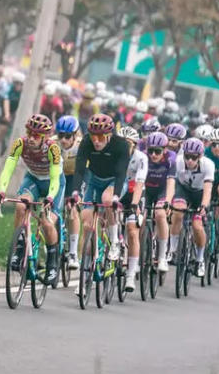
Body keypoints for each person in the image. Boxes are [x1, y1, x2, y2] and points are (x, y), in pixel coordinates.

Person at [0, 114, 64, 283]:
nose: (32, 138)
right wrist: (2, 191)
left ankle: (52, 263)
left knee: (47, 222)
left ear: (46, 136)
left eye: (36, 135)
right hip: (33, 178)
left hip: (52, 182)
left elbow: (55, 179)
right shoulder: (20, 143)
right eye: (29, 133)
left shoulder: (52, 148)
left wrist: (49, 197)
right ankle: (19, 250)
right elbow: (8, 168)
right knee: (20, 206)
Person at [72, 113, 131, 262]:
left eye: (100, 137)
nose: (96, 141)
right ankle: (86, 270)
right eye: (93, 136)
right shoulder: (86, 142)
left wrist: (116, 196)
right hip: (94, 180)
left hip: (115, 180)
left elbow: (121, 173)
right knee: (87, 224)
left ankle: (114, 242)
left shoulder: (121, 145)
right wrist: (76, 192)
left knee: (107, 199)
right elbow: (79, 169)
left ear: (110, 134)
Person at [169, 137, 214, 278]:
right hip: (184, 190)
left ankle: (200, 259)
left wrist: (204, 206)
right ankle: (173, 249)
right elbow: (172, 183)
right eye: (187, 156)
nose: (189, 160)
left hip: (200, 193)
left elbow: (208, 188)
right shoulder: (178, 162)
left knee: (197, 226)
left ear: (200, 156)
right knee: (177, 212)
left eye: (193, 158)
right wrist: (169, 202)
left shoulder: (208, 165)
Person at [141, 131, 176, 275]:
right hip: (147, 190)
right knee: (140, 219)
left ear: (165, 150)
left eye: (157, 151)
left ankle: (162, 257)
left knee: (160, 214)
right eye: (151, 151)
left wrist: (167, 201)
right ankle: (139, 254)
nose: (154, 155)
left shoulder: (171, 160)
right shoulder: (144, 158)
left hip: (162, 191)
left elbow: (171, 183)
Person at [118, 126, 148, 292]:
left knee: (132, 229)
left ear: (135, 145)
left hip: (134, 194)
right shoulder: (114, 155)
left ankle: (130, 275)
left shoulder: (141, 158)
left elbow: (139, 183)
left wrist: (135, 205)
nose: (123, 146)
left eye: (127, 143)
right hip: (117, 192)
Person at [56, 115, 82, 269]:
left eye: (67, 137)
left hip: (75, 178)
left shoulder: (81, 145)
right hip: (58, 177)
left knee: (72, 210)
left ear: (75, 135)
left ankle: (73, 253)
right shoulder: (53, 143)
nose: (63, 140)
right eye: (61, 136)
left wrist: (76, 194)